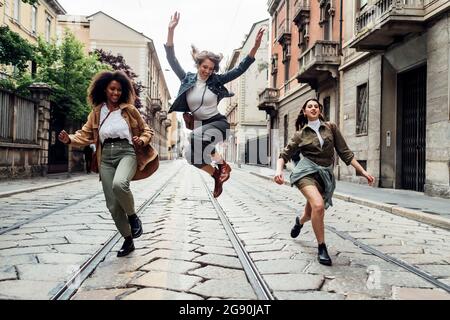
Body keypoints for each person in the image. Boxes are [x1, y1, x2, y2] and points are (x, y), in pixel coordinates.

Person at [165, 11, 265, 198]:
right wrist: (170, 30)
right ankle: (217, 175)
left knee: (194, 137)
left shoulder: (216, 81)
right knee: (190, 157)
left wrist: (255, 47)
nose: (207, 71)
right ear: (198, 65)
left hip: (219, 124)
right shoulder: (187, 79)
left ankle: (223, 165)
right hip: (201, 128)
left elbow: (240, 69)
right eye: (204, 67)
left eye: (211, 69)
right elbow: (171, 59)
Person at [58, 71, 156, 257]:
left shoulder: (129, 110)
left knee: (120, 184)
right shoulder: (97, 112)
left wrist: (142, 140)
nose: (116, 93)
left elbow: (147, 130)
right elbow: (85, 134)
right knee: (112, 205)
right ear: (105, 89)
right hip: (105, 157)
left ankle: (133, 217)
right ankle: (128, 240)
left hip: (127, 152)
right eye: (112, 89)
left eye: (119, 90)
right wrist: (69, 139)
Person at [274, 98, 375, 266]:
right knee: (319, 206)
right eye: (309, 106)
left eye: (316, 106)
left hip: (324, 176)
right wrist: (278, 172)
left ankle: (299, 223)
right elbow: (283, 156)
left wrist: (363, 171)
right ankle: (322, 247)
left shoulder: (331, 127)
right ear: (305, 112)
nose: (313, 108)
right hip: (306, 173)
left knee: (310, 212)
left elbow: (345, 153)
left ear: (319, 110)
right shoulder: (300, 134)